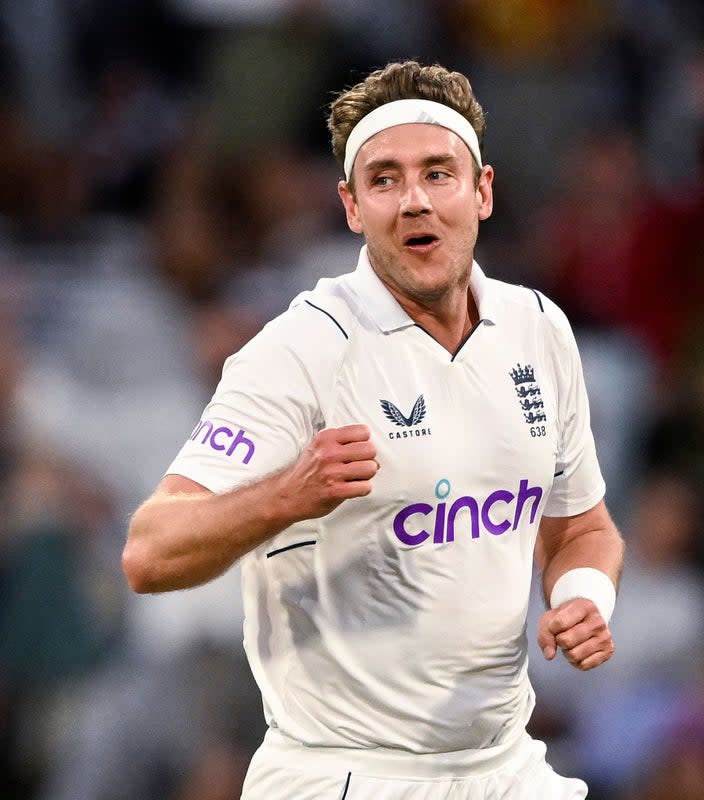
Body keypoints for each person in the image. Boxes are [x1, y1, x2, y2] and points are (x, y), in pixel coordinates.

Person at [122, 59, 625, 799]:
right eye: (385, 180)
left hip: (504, 766)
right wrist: (284, 496)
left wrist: (583, 596)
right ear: (352, 207)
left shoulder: (538, 328)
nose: (414, 201)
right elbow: (149, 552)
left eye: (437, 174)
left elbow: (581, 523)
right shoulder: (300, 351)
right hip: (346, 774)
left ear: (482, 191)